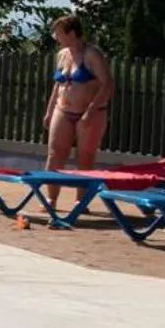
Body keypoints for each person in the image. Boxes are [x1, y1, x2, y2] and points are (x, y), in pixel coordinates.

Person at [44, 14, 116, 214]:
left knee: (85, 156)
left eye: (58, 33)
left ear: (72, 33)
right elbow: (58, 85)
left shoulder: (91, 54)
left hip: (90, 111)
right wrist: (49, 111)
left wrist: (91, 110)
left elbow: (108, 84)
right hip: (63, 109)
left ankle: (80, 201)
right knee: (55, 153)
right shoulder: (62, 54)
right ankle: (51, 198)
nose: (55, 37)